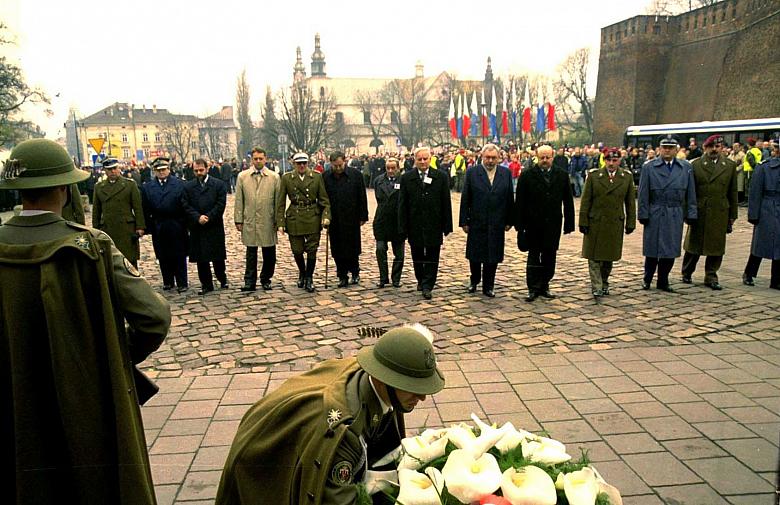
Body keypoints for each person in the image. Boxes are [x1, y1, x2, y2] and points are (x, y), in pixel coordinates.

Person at [0, 138, 171, 504]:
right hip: (89, 393)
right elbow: (154, 317)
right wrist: (113, 354)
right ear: (64, 188)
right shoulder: (92, 247)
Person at [215, 324, 445, 505]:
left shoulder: (377, 383)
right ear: (385, 380)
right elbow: (335, 500)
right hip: (261, 468)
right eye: (412, 387)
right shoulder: (345, 433)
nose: (422, 397)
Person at [514, 144, 575, 302]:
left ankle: (545, 284)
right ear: (537, 157)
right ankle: (533, 288)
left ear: (552, 157)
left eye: (548, 157)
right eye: (542, 158)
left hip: (553, 224)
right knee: (533, 256)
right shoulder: (527, 175)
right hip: (532, 224)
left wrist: (569, 223)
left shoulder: (561, 175)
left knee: (550, 256)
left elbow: (568, 200)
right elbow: (519, 202)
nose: (545, 160)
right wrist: (519, 225)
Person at [638, 135, 697, 292]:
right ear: (659, 149)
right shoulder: (649, 167)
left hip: (674, 212)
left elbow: (691, 193)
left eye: (671, 148)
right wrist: (643, 213)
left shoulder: (685, 167)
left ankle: (663, 280)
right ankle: (647, 278)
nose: (667, 150)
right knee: (652, 249)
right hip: (655, 211)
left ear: (676, 149)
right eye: (664, 147)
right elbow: (643, 193)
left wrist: (691, 213)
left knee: (670, 249)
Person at [681, 135, 738, 290]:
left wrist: (733, 215)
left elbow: (733, 192)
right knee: (694, 245)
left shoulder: (729, 166)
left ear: (722, 148)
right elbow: (689, 191)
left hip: (719, 212)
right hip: (700, 210)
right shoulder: (695, 165)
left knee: (716, 247)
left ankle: (711, 276)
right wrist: (688, 212)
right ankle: (687, 272)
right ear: (705, 148)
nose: (714, 150)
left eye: (718, 147)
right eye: (711, 147)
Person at [579, 147, 637, 297]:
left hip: (614, 222)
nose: (611, 163)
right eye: (608, 160)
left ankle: (604, 282)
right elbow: (586, 200)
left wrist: (631, 222)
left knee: (608, 257)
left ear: (619, 161)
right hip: (595, 221)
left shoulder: (626, 177)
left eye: (614, 160)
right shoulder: (594, 176)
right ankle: (597, 286)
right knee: (593, 257)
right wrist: (583, 221)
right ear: (604, 161)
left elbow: (630, 202)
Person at [459, 143, 514, 297]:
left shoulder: (505, 173)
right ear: (482, 157)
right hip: (477, 220)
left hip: (497, 221)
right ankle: (474, 280)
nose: (490, 161)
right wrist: (464, 221)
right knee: (475, 254)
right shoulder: (472, 172)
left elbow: (510, 197)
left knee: (493, 254)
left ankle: (489, 285)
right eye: (487, 157)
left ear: (499, 158)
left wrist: (510, 219)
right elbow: (466, 198)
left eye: (493, 158)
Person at [399, 146, 453, 300]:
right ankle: (420, 279)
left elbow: (445, 202)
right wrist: (402, 226)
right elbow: (402, 204)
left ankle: (428, 284)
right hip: (414, 222)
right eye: (419, 159)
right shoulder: (407, 178)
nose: (422, 162)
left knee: (432, 254)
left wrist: (447, 224)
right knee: (417, 254)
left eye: (425, 159)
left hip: (433, 223)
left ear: (430, 159)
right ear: (414, 160)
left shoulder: (440, 176)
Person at [277, 152, 331, 292]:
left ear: (308, 163)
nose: (302, 166)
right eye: (298, 163)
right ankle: (302, 271)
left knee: (312, 249)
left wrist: (326, 216)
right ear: (293, 164)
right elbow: (281, 202)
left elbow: (324, 201)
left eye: (304, 163)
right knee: (297, 250)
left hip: (312, 215)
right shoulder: (287, 178)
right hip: (294, 215)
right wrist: (280, 222)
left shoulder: (316, 177)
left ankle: (309, 278)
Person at [235, 148, 281, 292]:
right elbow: (239, 200)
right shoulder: (243, 176)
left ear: (265, 159)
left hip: (268, 218)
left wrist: (278, 220)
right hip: (250, 219)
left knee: (269, 252)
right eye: (255, 159)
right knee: (251, 252)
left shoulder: (274, 177)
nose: (258, 161)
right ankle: (249, 281)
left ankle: (266, 278)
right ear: (251, 160)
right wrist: (238, 219)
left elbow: (278, 200)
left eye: (261, 158)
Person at [142, 156, 189, 292]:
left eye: (164, 169)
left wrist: (185, 224)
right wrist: (149, 226)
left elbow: (185, 205)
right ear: (154, 171)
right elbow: (145, 208)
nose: (161, 172)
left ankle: (182, 282)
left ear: (169, 170)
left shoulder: (180, 184)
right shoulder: (148, 187)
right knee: (163, 255)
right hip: (159, 224)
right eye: (158, 170)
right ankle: (168, 281)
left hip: (176, 224)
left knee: (179, 255)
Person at [182, 158, 228, 295]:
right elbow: (185, 205)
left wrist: (209, 216)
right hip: (197, 226)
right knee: (201, 258)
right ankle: (206, 284)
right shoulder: (188, 187)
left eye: (201, 170)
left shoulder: (218, 185)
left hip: (214, 224)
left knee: (217, 255)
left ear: (207, 169)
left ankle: (222, 278)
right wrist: (197, 217)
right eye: (196, 171)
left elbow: (221, 204)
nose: (199, 173)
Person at [323, 151, 369, 287]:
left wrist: (363, 215)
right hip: (334, 218)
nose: (338, 168)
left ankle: (355, 272)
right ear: (331, 163)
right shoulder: (325, 177)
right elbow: (322, 198)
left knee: (352, 247)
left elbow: (362, 196)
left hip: (352, 217)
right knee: (337, 248)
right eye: (335, 166)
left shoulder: (355, 175)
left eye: (340, 165)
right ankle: (342, 275)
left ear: (344, 161)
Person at [92, 157, 146, 267]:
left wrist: (140, 227)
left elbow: (138, 208)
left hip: (126, 229)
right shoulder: (99, 187)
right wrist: (95, 230)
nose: (113, 171)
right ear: (105, 171)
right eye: (109, 169)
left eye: (115, 168)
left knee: (129, 260)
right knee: (110, 260)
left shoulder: (129, 185)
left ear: (119, 168)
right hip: (108, 228)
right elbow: (96, 211)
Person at [742, 137, 780, 289]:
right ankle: (749, 273)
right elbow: (755, 192)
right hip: (767, 208)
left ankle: (776, 279)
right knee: (760, 243)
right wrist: (753, 214)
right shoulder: (764, 167)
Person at [372, 157, 406, 288]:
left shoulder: (403, 181)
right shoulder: (378, 181)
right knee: (380, 250)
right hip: (382, 220)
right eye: (388, 168)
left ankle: (396, 278)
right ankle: (383, 277)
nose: (391, 171)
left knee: (399, 254)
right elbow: (378, 198)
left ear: (398, 168)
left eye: (393, 168)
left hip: (398, 221)